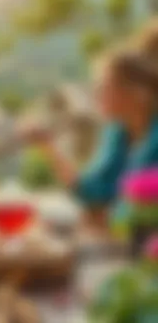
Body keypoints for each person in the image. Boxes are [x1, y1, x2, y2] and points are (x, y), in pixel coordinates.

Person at [34, 44, 158, 229]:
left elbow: (134, 216)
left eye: (106, 86)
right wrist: (48, 147)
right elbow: (88, 189)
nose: (97, 94)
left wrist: (101, 217)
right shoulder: (118, 134)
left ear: (138, 93)